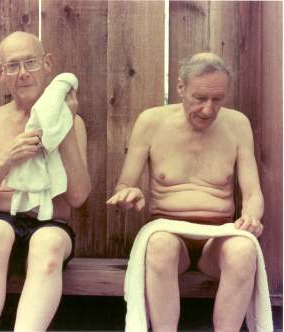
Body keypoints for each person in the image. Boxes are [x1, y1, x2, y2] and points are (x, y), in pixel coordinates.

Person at [107, 53, 264, 332]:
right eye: (199, 98)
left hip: (217, 237)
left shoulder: (237, 124)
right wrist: (128, 194)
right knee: (160, 245)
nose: (207, 109)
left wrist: (251, 217)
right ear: (180, 88)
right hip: (166, 229)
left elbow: (252, 194)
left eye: (217, 100)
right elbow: (123, 186)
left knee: (243, 250)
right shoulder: (151, 122)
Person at [0, 31, 91, 331]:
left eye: (30, 63)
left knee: (49, 245)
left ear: (47, 64)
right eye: (12, 66)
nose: (23, 74)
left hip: (49, 223)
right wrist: (7, 158)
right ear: (0, 73)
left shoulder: (72, 122)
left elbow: (78, 197)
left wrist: (66, 126)